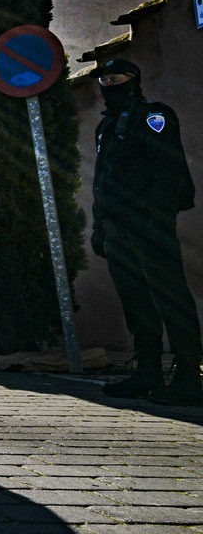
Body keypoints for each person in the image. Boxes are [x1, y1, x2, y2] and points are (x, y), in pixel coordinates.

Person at [91, 58, 199, 405]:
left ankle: (188, 376)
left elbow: (168, 171)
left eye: (116, 77)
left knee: (171, 301)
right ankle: (147, 371)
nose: (109, 83)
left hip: (149, 226)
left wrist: (158, 221)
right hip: (118, 228)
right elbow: (101, 181)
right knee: (136, 303)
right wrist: (99, 226)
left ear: (133, 80)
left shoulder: (154, 116)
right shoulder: (106, 126)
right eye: (104, 79)